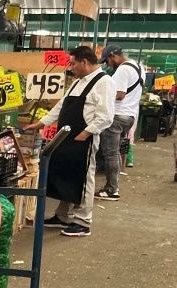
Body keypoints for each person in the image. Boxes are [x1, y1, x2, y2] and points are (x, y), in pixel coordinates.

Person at [23, 46, 114, 236]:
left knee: (84, 177)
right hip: (66, 136)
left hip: (84, 138)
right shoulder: (77, 82)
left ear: (85, 62)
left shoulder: (104, 82)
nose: (71, 67)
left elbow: (106, 116)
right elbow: (61, 106)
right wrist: (41, 123)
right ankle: (63, 216)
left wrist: (86, 133)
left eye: (73, 63)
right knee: (67, 174)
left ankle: (83, 221)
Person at [94, 45, 143, 200]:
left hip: (117, 116)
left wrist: (100, 96)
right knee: (114, 153)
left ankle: (111, 189)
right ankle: (112, 187)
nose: (108, 65)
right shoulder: (137, 66)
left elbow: (120, 95)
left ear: (113, 56)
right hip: (129, 116)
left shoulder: (123, 69)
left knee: (110, 154)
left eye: (107, 61)